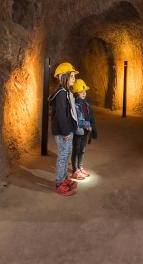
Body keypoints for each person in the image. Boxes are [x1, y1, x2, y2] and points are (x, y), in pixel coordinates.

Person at [49, 62, 79, 196]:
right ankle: (59, 183)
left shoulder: (66, 92)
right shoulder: (61, 94)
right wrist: (66, 132)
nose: (74, 79)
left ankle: (64, 178)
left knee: (67, 154)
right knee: (63, 156)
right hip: (63, 132)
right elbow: (60, 115)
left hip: (67, 130)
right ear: (64, 77)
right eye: (72, 76)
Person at [71, 79, 98, 179]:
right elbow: (79, 120)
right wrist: (89, 125)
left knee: (82, 150)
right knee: (76, 150)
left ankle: (80, 167)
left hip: (85, 131)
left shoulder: (86, 104)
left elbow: (90, 116)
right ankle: (75, 170)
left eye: (85, 91)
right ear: (77, 93)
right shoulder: (76, 105)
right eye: (81, 92)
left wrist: (91, 126)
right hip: (78, 131)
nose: (84, 93)